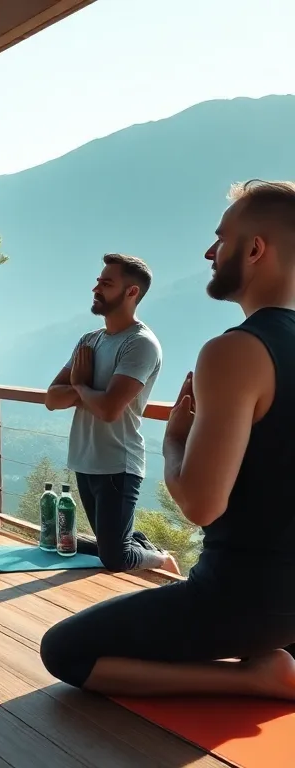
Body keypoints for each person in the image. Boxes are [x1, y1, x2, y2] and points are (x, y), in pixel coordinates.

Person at [41, 180, 295, 701]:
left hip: (247, 600)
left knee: (65, 650)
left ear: (254, 250)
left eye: (221, 239)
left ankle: (255, 679)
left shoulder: (236, 353)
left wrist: (174, 438)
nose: (209, 251)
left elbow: (201, 504)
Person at [43, 253, 179, 574]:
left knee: (115, 558)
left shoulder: (140, 344)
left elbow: (109, 409)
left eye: (106, 283)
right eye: (98, 281)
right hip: (84, 457)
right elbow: (51, 398)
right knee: (104, 546)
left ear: (131, 292)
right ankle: (136, 542)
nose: (96, 288)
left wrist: (78, 385)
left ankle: (162, 558)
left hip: (119, 463)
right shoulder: (89, 340)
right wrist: (86, 391)